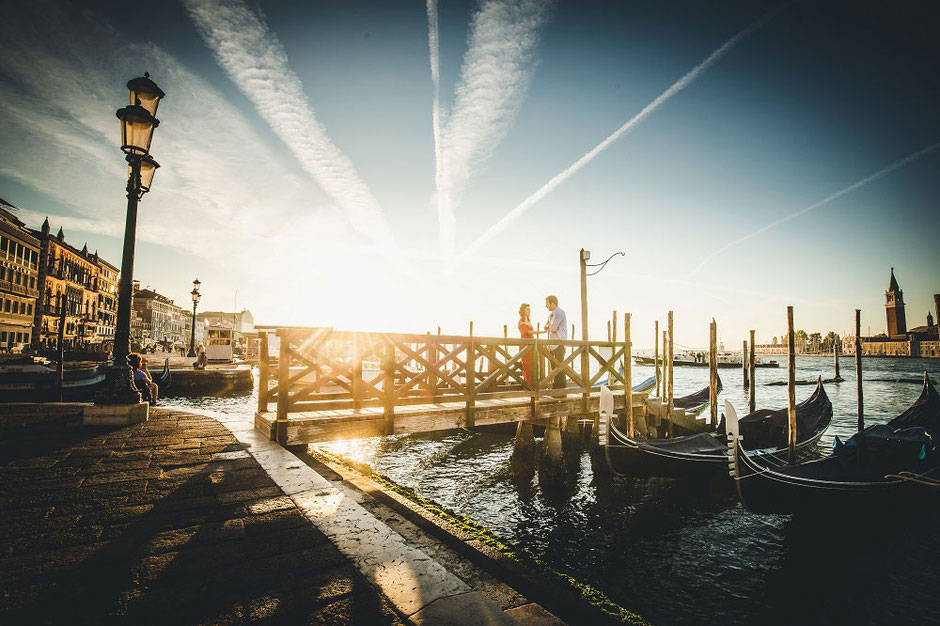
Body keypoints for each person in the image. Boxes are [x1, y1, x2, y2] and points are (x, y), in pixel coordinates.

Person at [534, 295, 567, 388]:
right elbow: (545, 327)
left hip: (559, 343)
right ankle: (557, 388)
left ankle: (561, 390)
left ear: (552, 303)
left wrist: (550, 326)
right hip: (553, 344)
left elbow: (552, 328)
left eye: (547, 304)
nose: (546, 306)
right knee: (554, 367)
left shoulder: (560, 313)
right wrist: (549, 326)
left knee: (559, 368)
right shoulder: (551, 314)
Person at [517, 303, 534, 383]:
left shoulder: (529, 321)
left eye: (529, 309)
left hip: (531, 346)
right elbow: (528, 333)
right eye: (527, 309)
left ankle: (532, 386)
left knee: (532, 366)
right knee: (527, 367)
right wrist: (542, 332)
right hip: (525, 346)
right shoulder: (521, 322)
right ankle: (528, 387)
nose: (529, 311)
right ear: (523, 311)